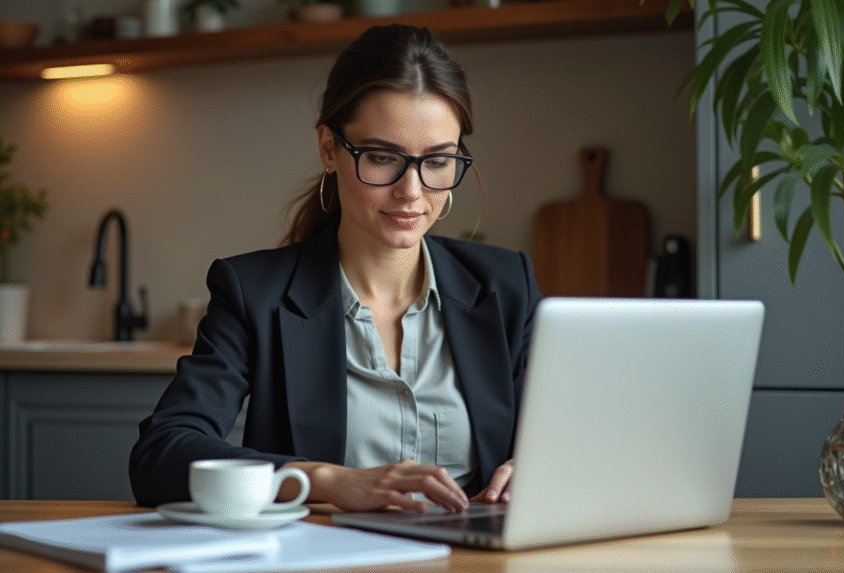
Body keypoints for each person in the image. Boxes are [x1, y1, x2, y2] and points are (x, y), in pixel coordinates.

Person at [129, 23, 541, 514]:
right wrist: (323, 479)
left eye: (437, 162)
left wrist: (542, 466)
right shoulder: (254, 293)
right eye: (383, 157)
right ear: (329, 149)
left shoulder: (507, 285)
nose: (412, 191)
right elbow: (160, 454)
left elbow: (569, 434)